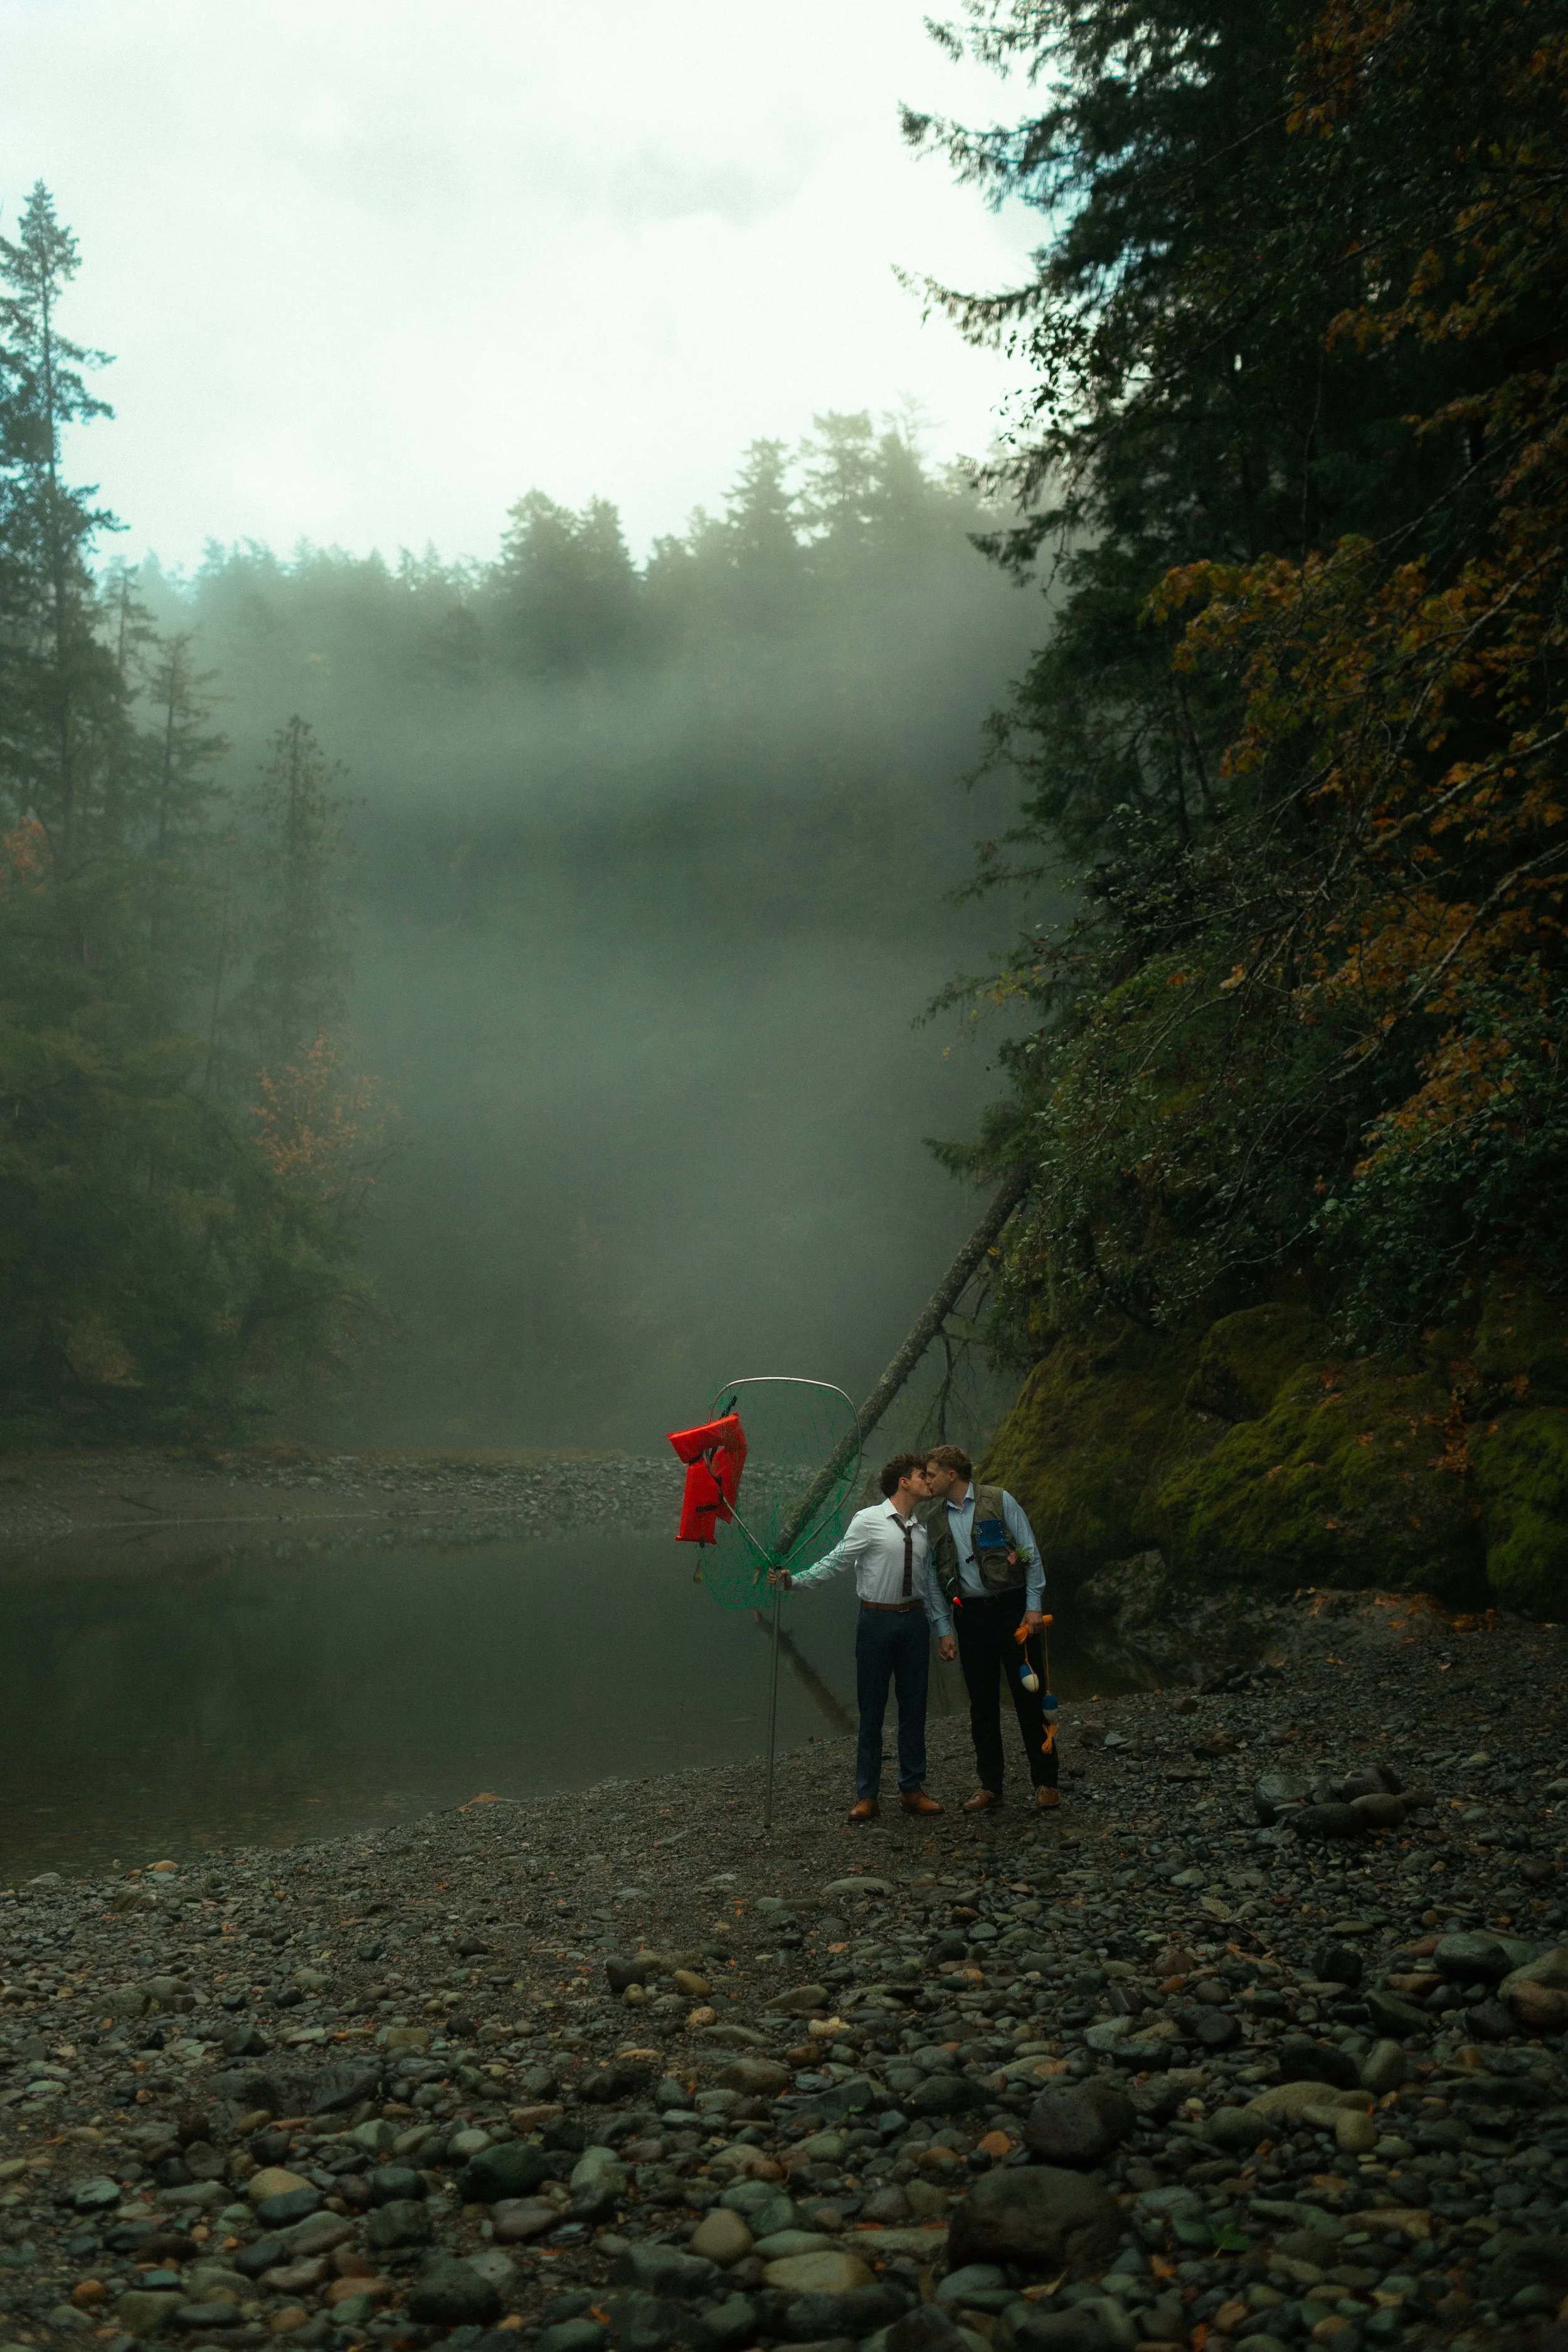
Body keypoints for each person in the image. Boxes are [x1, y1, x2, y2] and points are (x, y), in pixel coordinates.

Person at [769, 1453, 948, 1821]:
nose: (928, 1481)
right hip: (876, 1622)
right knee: (872, 1709)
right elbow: (836, 1560)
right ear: (904, 1482)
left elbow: (930, 1584)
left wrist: (944, 1630)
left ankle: (912, 1789)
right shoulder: (868, 1521)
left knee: (915, 1708)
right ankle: (867, 1795)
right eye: (922, 1475)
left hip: (914, 1623)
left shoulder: (921, 1529)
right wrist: (794, 1581)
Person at [923, 1443, 1059, 1813]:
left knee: (1030, 1697)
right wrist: (944, 1629)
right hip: (970, 1619)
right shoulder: (933, 1519)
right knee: (982, 1706)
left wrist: (1033, 1606)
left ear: (952, 1474)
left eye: (932, 1474)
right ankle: (990, 1786)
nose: (927, 1481)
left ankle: (1047, 1781)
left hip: (1013, 1612)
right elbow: (934, 1580)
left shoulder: (999, 1500)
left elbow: (1030, 1551)